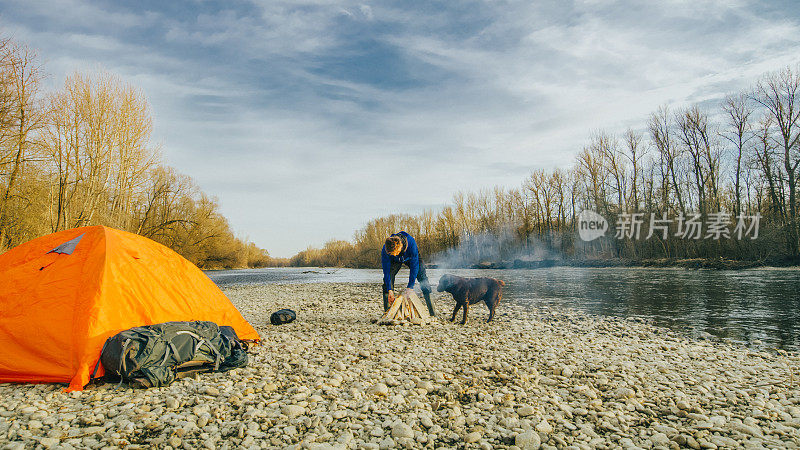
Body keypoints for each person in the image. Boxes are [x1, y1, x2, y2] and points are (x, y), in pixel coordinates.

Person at [381, 231, 435, 316]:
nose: (393, 255)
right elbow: (386, 271)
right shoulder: (386, 250)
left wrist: (410, 287)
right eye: (391, 254)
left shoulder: (411, 243)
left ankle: (433, 313)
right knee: (386, 281)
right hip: (395, 262)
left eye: (394, 253)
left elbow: (414, 267)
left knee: (423, 278)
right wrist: (390, 290)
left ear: (400, 247)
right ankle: (387, 313)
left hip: (411, 257)